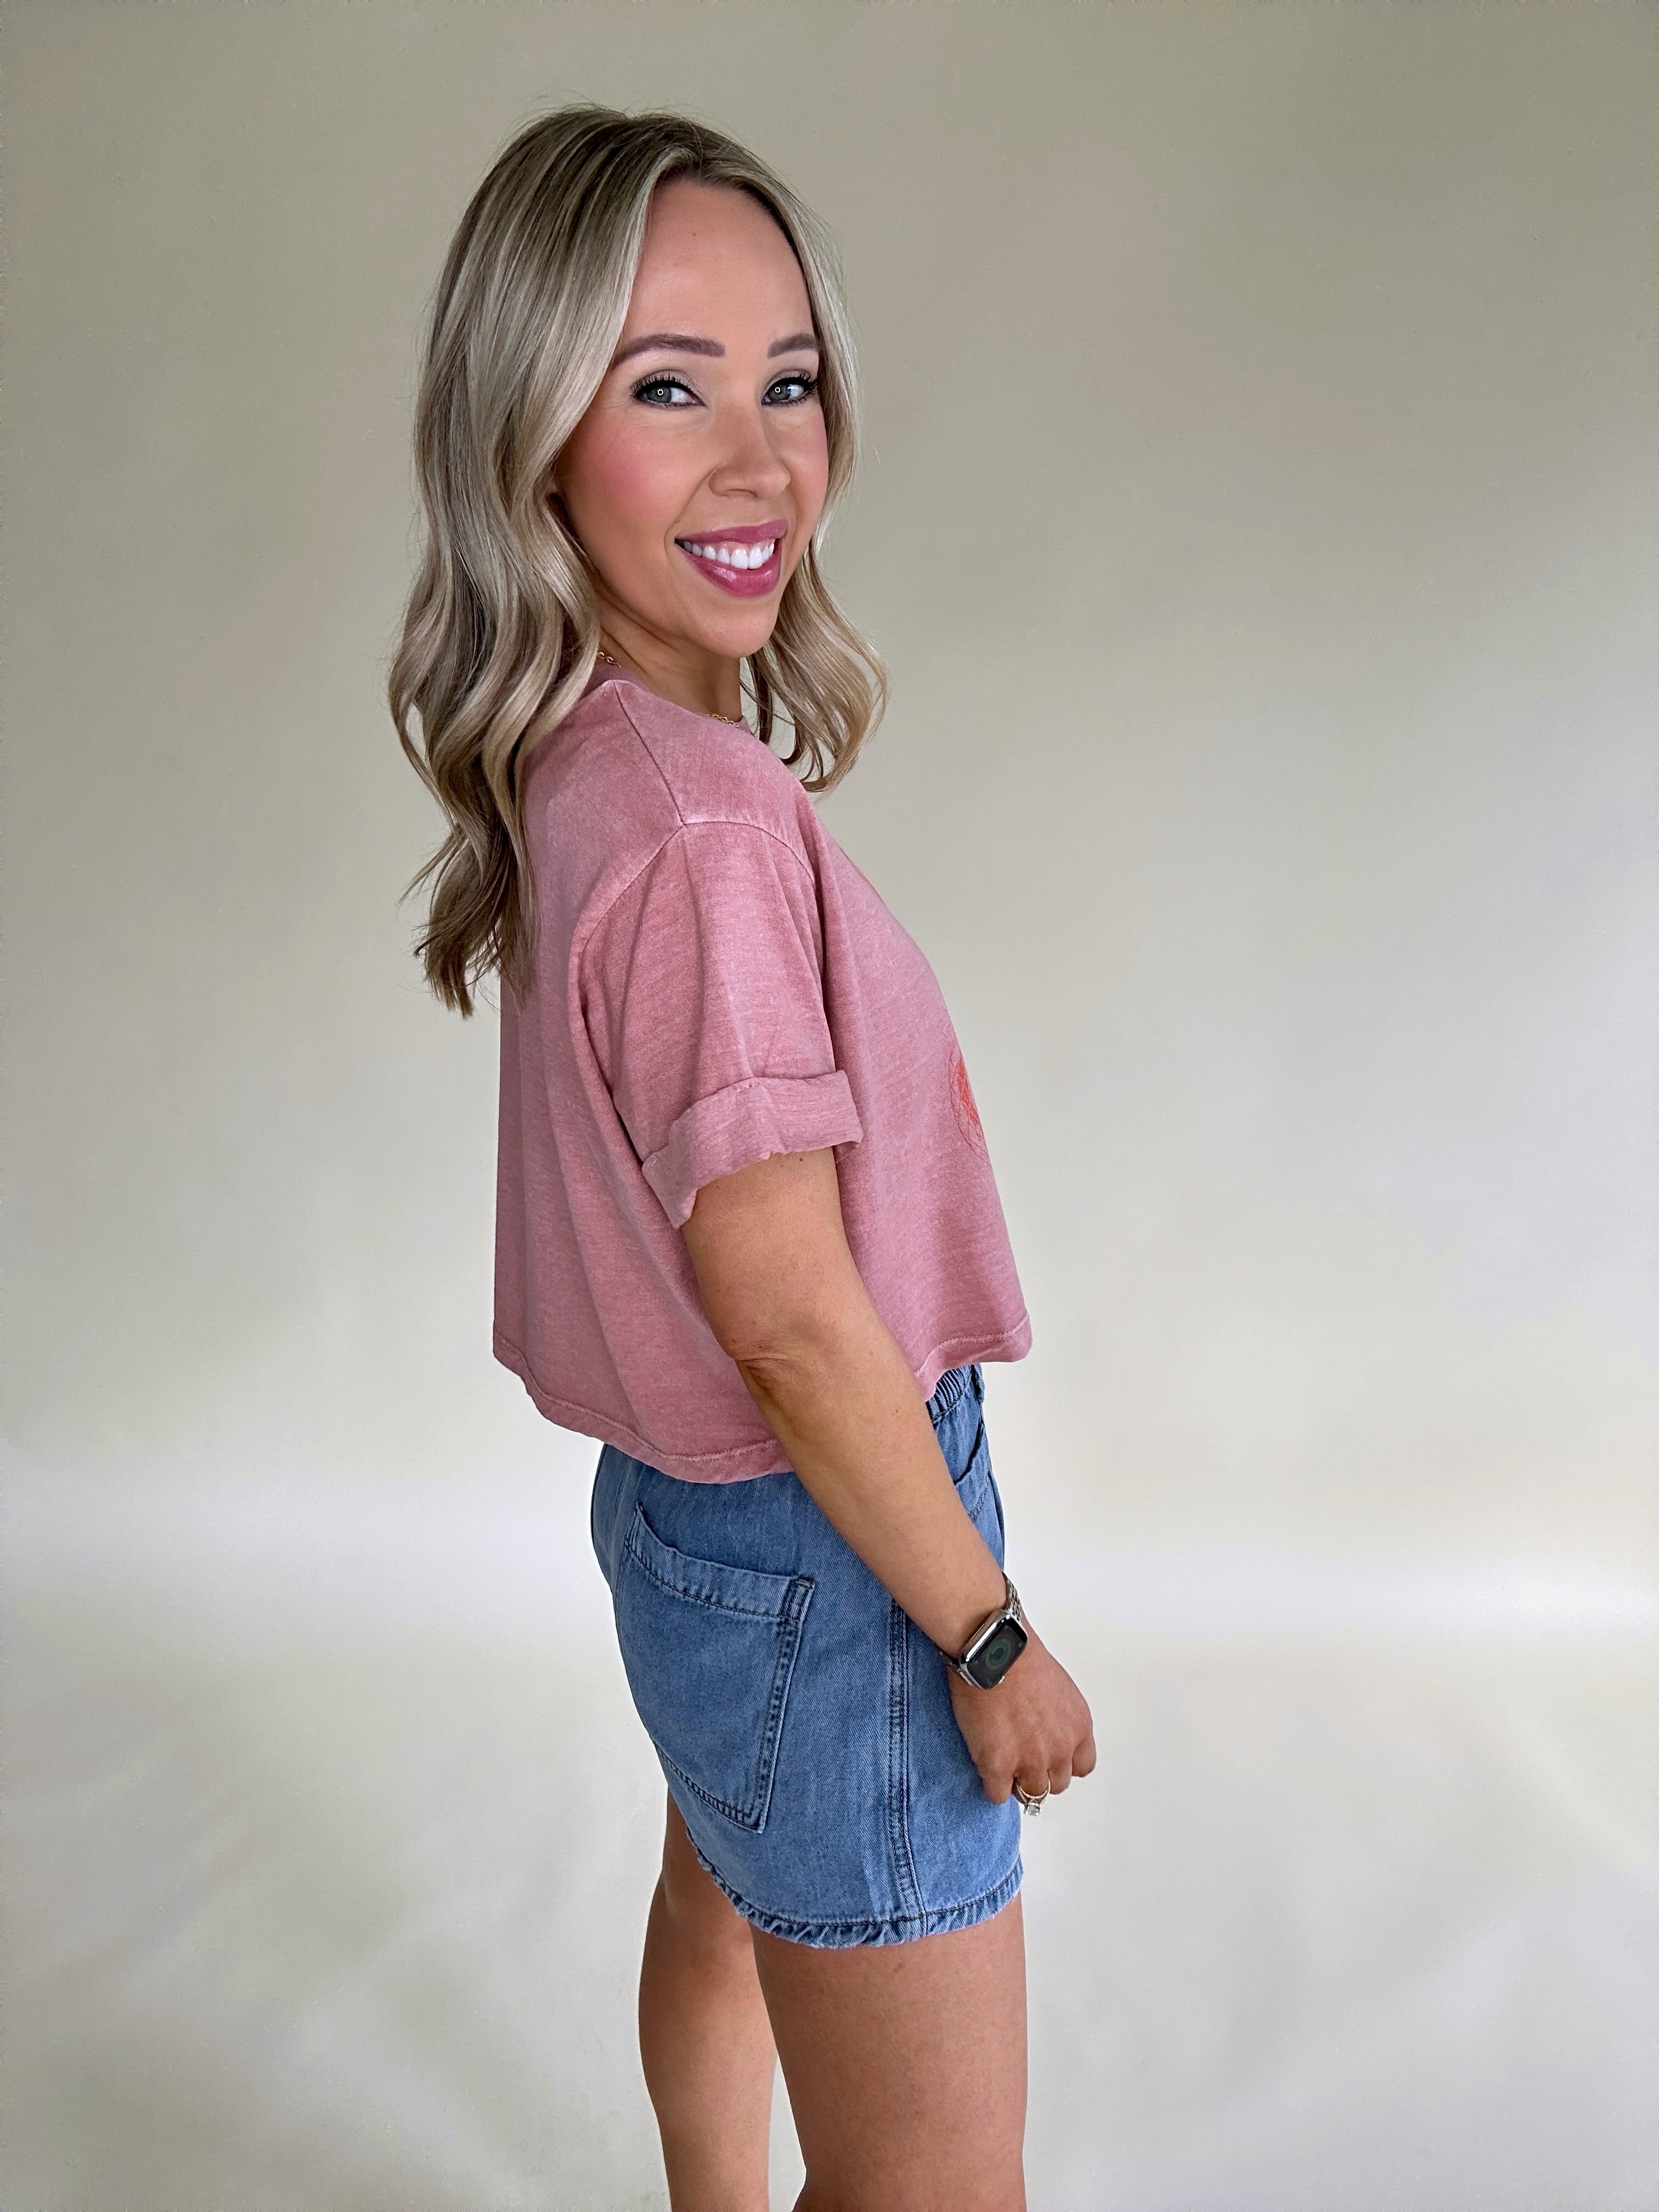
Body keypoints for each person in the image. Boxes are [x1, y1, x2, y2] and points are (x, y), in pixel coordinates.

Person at [391, 103, 1095, 2212]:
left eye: (788, 381)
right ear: (532, 441)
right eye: (666, 388)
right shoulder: (698, 829)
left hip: (689, 1527)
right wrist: (985, 1634)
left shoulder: (590, 757)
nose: (760, 457)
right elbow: (789, 1319)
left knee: (723, 1897)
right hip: (831, 1544)